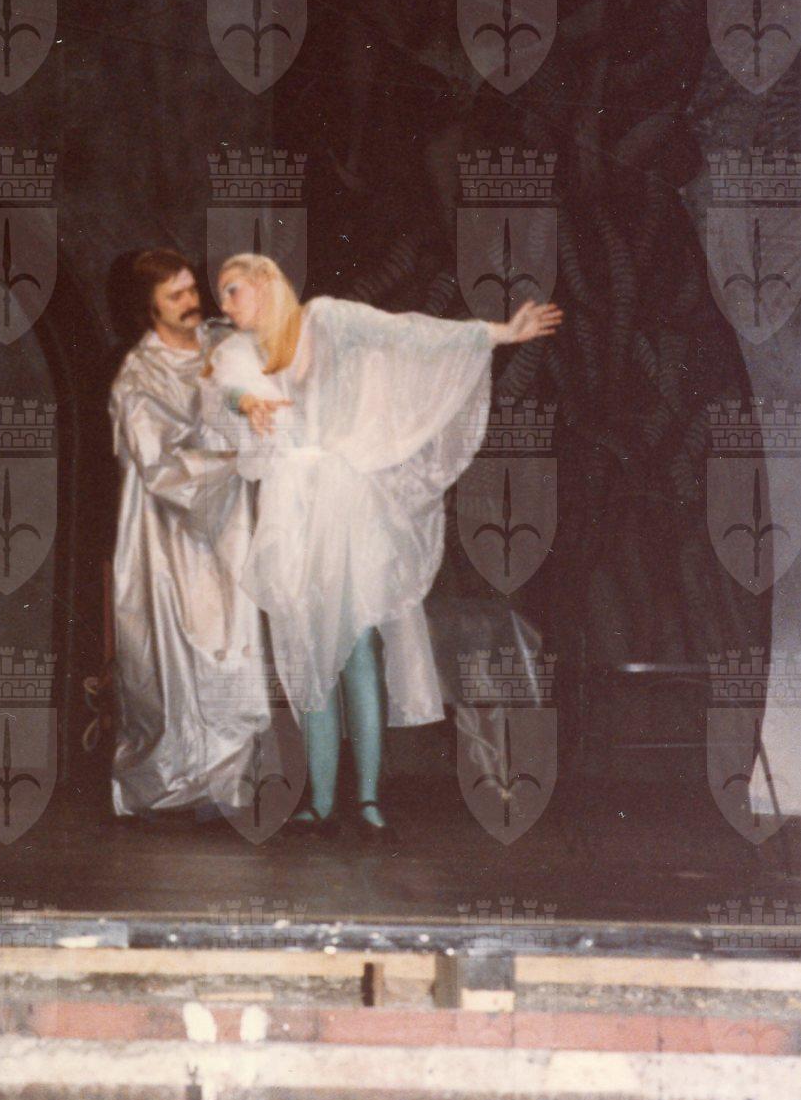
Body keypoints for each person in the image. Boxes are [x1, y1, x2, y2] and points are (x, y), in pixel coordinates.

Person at [201, 253, 563, 835]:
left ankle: (368, 799)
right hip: (292, 508)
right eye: (222, 294)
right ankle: (321, 800)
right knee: (308, 648)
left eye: (233, 289)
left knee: (359, 643)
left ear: (266, 283)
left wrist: (498, 333)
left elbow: (405, 333)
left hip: (346, 501)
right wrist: (248, 402)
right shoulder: (239, 349)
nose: (225, 304)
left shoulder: (325, 318)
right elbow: (228, 386)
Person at [108, 249, 271, 818]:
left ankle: (228, 785)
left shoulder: (223, 345)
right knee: (175, 655)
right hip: (167, 534)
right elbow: (159, 465)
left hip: (229, 524)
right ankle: (173, 785)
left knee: (234, 645)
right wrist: (234, 460)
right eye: (174, 295)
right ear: (147, 307)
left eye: (190, 289)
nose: (190, 301)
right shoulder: (138, 375)